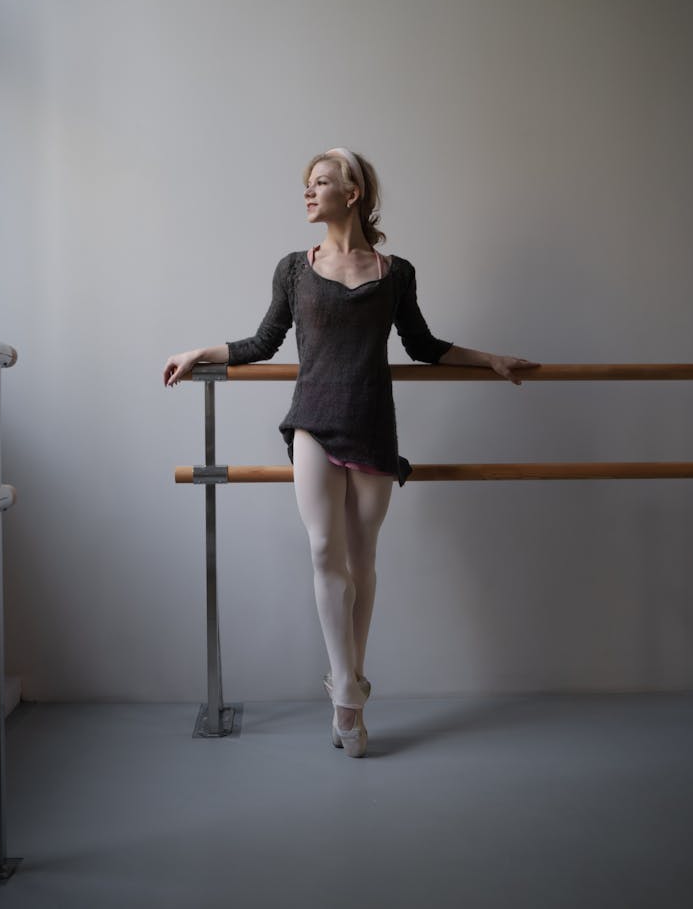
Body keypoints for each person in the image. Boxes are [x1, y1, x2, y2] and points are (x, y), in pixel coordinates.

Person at [163, 147, 537, 757]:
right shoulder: (293, 268)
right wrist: (198, 352)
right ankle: (347, 700)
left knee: (362, 561)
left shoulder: (396, 272)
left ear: (354, 192)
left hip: (372, 426)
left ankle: (350, 682)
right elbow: (261, 342)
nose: (308, 193)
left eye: (321, 183)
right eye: (307, 184)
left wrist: (491, 358)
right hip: (312, 422)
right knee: (323, 550)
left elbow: (423, 345)